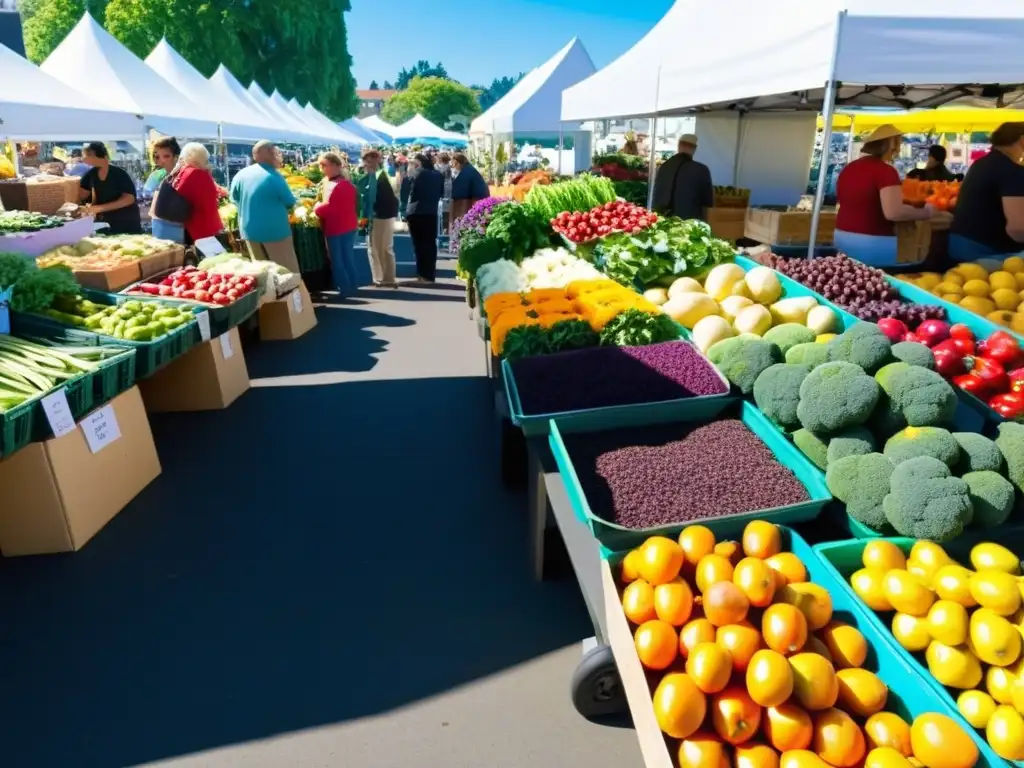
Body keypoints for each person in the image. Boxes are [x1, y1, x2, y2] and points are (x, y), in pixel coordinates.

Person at [833, 124, 938, 267]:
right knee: (875, 285)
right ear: (890, 145)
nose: (897, 151)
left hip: (841, 237)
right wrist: (927, 212)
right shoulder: (885, 171)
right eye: (897, 144)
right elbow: (893, 212)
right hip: (872, 243)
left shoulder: (848, 168)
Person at [950, 122, 1024, 263]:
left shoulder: (980, 164)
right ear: (1022, 139)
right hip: (987, 254)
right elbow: (1018, 229)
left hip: (959, 245)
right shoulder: (1013, 171)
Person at [229, 140, 300, 273]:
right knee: (286, 272)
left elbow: (234, 198)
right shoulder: (274, 176)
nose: (277, 155)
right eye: (274, 152)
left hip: (249, 231)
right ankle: (293, 294)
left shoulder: (240, 175)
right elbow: (289, 202)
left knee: (263, 273)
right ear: (268, 153)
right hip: (275, 232)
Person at [314, 152, 363, 296]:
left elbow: (330, 208)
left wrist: (316, 208)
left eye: (325, 165)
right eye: (320, 165)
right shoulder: (335, 183)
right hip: (347, 225)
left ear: (336, 165)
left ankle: (345, 288)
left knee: (338, 259)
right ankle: (353, 286)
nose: (322, 168)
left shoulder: (338, 185)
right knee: (347, 257)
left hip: (337, 227)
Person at [79, 141, 143, 235]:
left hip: (126, 223)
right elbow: (82, 195)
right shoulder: (90, 174)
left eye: (84, 154)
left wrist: (99, 208)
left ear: (93, 154)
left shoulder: (119, 173)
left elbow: (129, 199)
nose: (82, 158)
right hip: (105, 225)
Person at [357, 149, 399, 288]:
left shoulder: (381, 175)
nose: (368, 164)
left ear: (378, 160)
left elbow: (385, 197)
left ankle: (387, 278)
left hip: (382, 215)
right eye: (366, 161)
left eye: (371, 161)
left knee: (383, 248)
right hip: (375, 216)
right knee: (374, 248)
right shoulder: (370, 175)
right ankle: (379, 277)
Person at [652, 134, 713, 222]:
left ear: (679, 145)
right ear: (694, 149)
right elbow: (708, 201)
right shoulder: (701, 170)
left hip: (663, 219)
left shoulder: (664, 167)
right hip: (689, 222)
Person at [171, 143, 223, 245]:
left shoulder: (182, 171)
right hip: (201, 227)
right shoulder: (199, 174)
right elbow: (209, 201)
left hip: (186, 226)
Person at [406, 153, 444, 283]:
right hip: (431, 212)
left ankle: (422, 273)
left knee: (419, 245)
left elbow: (411, 192)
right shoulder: (438, 175)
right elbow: (441, 193)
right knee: (430, 244)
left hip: (416, 212)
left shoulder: (417, 174)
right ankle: (430, 274)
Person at [146, 137, 183, 242]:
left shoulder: (185, 175)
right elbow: (146, 201)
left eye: (166, 156)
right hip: (159, 227)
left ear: (176, 156)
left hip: (180, 229)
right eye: (157, 156)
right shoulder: (156, 175)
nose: (161, 160)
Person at [450, 152, 489, 223]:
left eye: (453, 164)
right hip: (479, 199)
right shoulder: (468, 169)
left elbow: (459, 193)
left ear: (456, 162)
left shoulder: (466, 172)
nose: (452, 166)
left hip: (474, 201)